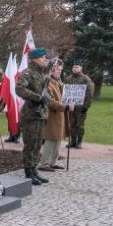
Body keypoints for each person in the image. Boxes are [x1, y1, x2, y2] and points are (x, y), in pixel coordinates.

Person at [15, 48, 51, 186]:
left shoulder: (42, 74)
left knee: (38, 144)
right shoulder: (27, 73)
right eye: (43, 58)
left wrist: (47, 99)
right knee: (30, 144)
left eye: (46, 58)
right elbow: (19, 89)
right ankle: (28, 172)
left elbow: (44, 94)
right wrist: (37, 98)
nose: (45, 60)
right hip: (31, 114)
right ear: (34, 59)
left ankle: (34, 170)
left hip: (41, 114)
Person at [38, 59, 73, 172]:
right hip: (51, 115)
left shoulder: (58, 81)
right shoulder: (47, 82)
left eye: (60, 70)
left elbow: (64, 96)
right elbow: (49, 101)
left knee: (57, 139)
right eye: (57, 69)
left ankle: (52, 162)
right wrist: (65, 106)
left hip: (59, 115)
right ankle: (44, 163)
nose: (59, 72)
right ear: (51, 69)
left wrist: (71, 101)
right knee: (50, 139)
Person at [64, 60, 94, 149]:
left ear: (81, 68)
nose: (75, 68)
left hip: (81, 106)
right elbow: (65, 92)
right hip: (71, 105)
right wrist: (66, 104)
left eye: (77, 67)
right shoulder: (68, 79)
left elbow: (89, 93)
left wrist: (86, 106)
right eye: (73, 67)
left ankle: (79, 141)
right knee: (71, 123)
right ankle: (72, 141)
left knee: (80, 124)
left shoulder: (85, 79)